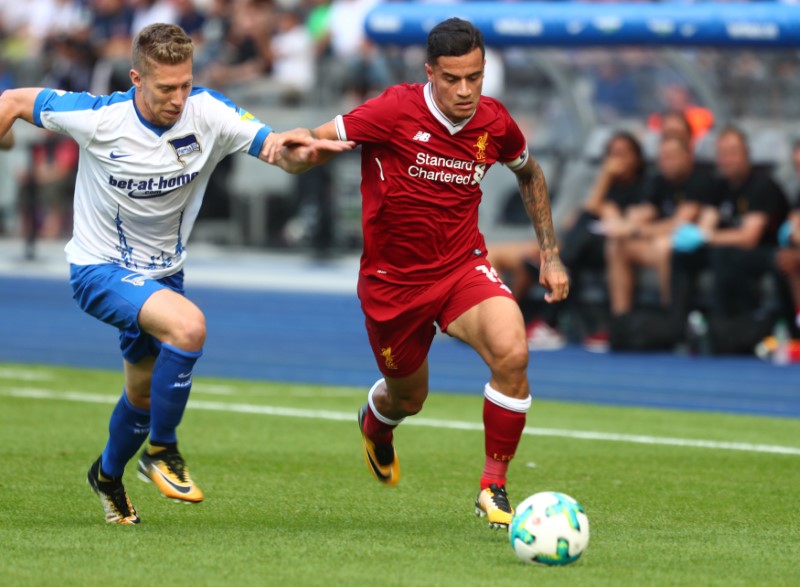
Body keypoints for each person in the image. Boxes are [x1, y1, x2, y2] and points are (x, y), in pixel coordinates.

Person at [0, 22, 352, 525]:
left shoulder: (209, 112)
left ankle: (106, 476)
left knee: (142, 397)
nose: (178, 97)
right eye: (166, 88)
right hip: (98, 269)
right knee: (189, 327)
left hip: (164, 275)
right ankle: (162, 452)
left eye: (185, 84)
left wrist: (302, 155)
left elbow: (277, 150)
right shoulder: (99, 117)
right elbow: (11, 99)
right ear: (136, 79)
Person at [298, 18, 569, 528]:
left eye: (475, 76)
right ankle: (377, 427)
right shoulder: (393, 109)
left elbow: (529, 172)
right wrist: (296, 150)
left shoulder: (494, 122)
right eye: (452, 78)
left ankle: (493, 487)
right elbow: (318, 141)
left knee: (513, 352)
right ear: (430, 73)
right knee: (409, 397)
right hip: (393, 286)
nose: (465, 90)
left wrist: (549, 254)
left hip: (461, 267)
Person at [488, 131, 646, 352]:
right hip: (581, 247)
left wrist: (608, 210)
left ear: (637, 158)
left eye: (623, 154)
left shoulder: (645, 185)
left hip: (613, 247)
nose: (616, 161)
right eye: (612, 154)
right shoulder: (604, 184)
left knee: (577, 233)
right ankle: (500, 319)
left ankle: (554, 281)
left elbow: (614, 217)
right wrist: (604, 192)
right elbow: (582, 213)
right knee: (573, 235)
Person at [671, 126, 790, 353]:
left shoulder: (761, 184)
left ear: (746, 153)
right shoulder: (719, 186)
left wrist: (707, 236)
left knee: (723, 255)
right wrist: (698, 233)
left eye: (732, 152)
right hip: (729, 249)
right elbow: (708, 219)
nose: (727, 160)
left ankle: (734, 327)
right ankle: (677, 324)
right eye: (722, 153)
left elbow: (749, 237)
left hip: (766, 252)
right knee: (686, 254)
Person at [604, 135, 713, 318]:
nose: (667, 162)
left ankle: (671, 319)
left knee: (664, 245)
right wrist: (624, 222)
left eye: (672, 156)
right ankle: (620, 317)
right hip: (657, 242)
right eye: (663, 157)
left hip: (694, 249)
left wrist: (635, 230)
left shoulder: (699, 180)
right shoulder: (658, 181)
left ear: (688, 156)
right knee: (617, 244)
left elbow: (679, 223)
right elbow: (646, 212)